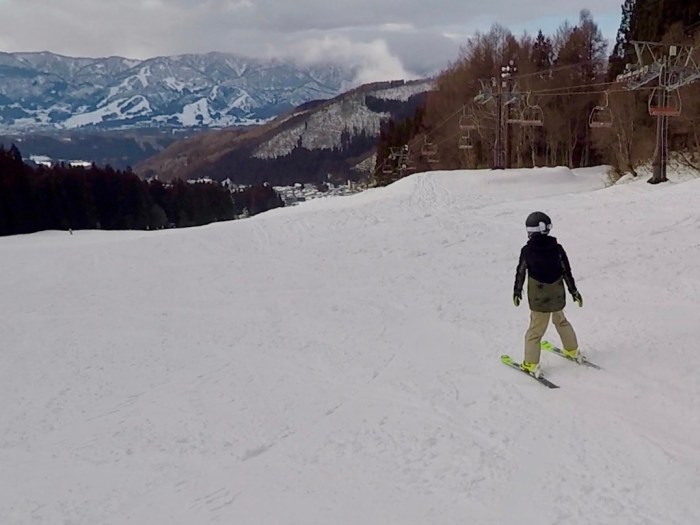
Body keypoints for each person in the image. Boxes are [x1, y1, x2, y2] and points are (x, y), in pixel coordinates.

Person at [513, 211, 583, 376]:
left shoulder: (528, 251)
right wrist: (574, 291)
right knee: (561, 321)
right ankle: (572, 350)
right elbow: (566, 271)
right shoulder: (557, 248)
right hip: (557, 294)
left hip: (539, 298)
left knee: (535, 330)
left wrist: (517, 290)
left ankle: (531, 363)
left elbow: (521, 271)